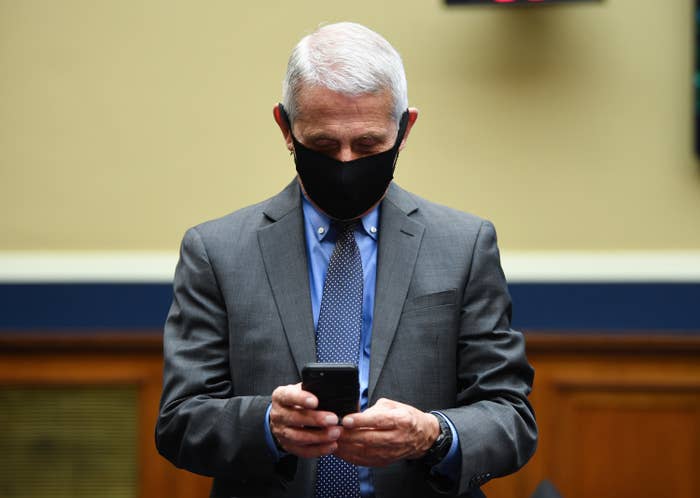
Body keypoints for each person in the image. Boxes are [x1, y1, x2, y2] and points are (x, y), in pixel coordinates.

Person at [155, 22, 537, 498]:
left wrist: (432, 434)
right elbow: (179, 420)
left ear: (405, 128)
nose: (346, 161)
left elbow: (510, 417)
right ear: (284, 126)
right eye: (322, 144)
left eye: (369, 145)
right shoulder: (217, 251)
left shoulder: (463, 245)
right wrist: (267, 426)